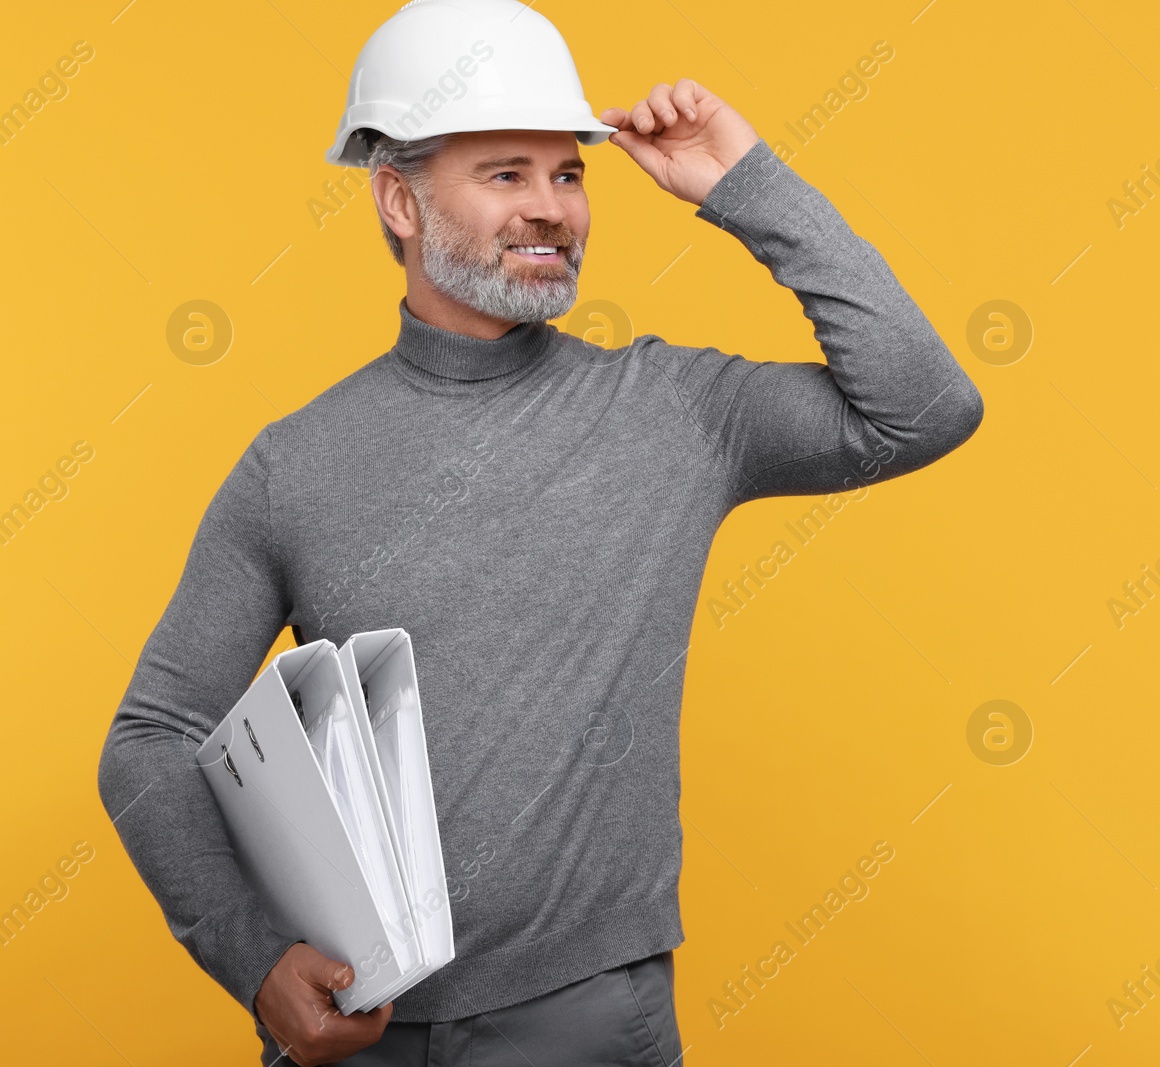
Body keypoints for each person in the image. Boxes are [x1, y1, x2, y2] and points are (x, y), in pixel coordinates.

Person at [96, 2, 983, 1064]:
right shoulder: (294, 464)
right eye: (506, 175)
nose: (552, 209)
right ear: (399, 200)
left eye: (568, 175)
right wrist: (252, 959)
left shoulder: (671, 412)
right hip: (349, 1027)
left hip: (585, 1024)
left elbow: (923, 406)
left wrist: (743, 183)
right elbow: (149, 737)